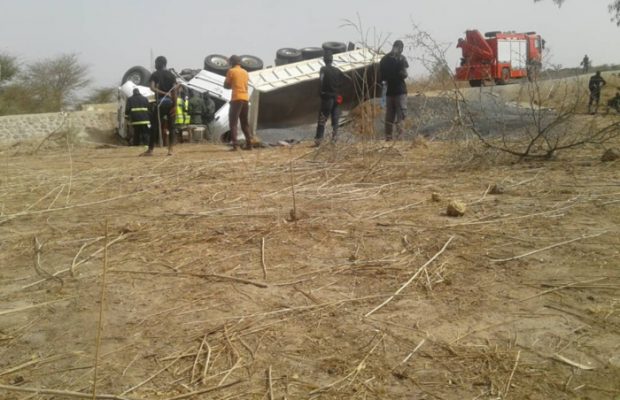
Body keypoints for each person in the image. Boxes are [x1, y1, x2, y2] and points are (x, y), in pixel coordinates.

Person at [142, 55, 178, 156]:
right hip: (170, 103)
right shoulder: (171, 75)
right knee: (171, 127)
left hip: (160, 104)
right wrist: (175, 106)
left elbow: (152, 88)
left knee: (154, 126)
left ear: (159, 64)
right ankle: (170, 150)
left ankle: (150, 150)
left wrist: (162, 92)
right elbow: (174, 91)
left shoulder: (155, 75)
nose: (155, 65)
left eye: (156, 63)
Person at [379, 40, 409, 141]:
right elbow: (404, 74)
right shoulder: (401, 58)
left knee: (389, 117)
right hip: (400, 92)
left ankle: (388, 139)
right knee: (401, 117)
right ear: (400, 48)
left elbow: (381, 77)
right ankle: (400, 140)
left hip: (388, 92)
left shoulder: (384, 59)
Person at [314, 51, 345, 146]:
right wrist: (337, 88)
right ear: (332, 60)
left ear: (324, 60)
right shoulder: (337, 70)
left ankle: (319, 140)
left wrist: (320, 92)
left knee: (322, 118)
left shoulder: (323, 69)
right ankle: (334, 139)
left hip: (327, 98)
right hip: (336, 97)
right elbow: (343, 79)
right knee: (335, 120)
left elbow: (321, 81)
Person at [224, 55, 254, 150]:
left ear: (232, 62)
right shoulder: (245, 72)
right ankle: (249, 145)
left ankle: (235, 146)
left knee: (233, 123)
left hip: (236, 98)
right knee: (245, 123)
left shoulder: (231, 71)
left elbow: (226, 85)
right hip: (245, 98)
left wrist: (230, 84)